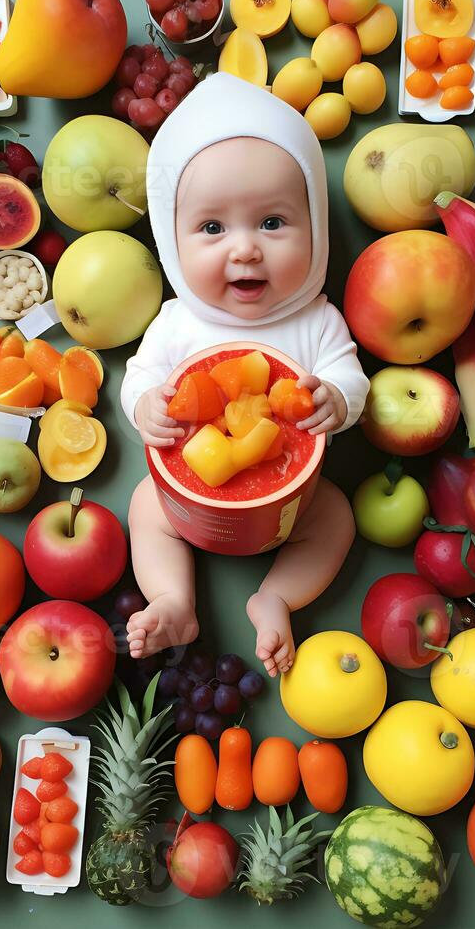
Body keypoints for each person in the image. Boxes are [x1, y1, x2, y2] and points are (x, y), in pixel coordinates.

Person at [120, 72, 369, 676]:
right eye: (212, 228)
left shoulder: (317, 320)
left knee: (335, 517)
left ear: (316, 226)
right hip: (188, 501)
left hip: (291, 504)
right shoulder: (177, 322)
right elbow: (139, 375)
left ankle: (275, 596)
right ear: (171, 242)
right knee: (143, 508)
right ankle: (174, 599)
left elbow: (349, 374)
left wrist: (338, 397)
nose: (245, 249)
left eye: (273, 222)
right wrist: (146, 403)